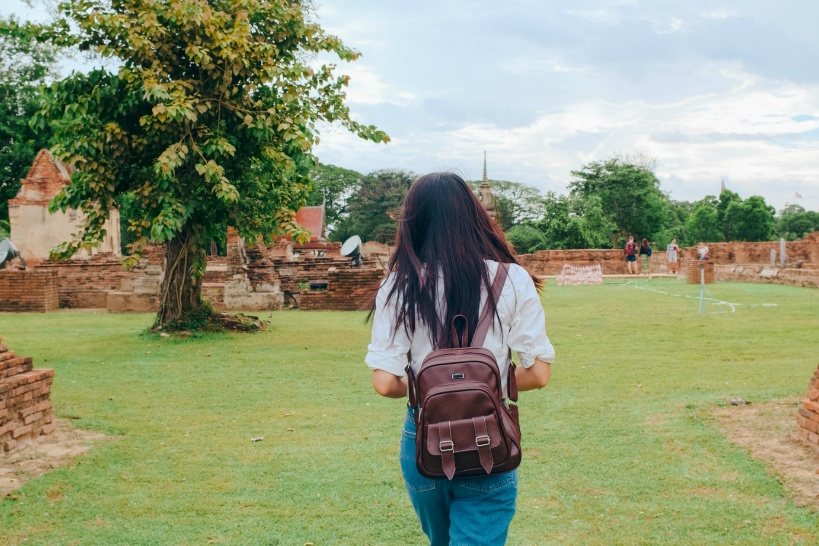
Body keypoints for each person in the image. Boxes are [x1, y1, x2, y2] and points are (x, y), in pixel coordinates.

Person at [365, 172, 555, 546]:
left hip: (424, 437)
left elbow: (385, 383)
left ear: (412, 221)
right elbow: (539, 374)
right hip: (489, 435)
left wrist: (432, 385)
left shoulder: (398, 284)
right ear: (474, 215)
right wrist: (483, 384)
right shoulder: (512, 278)